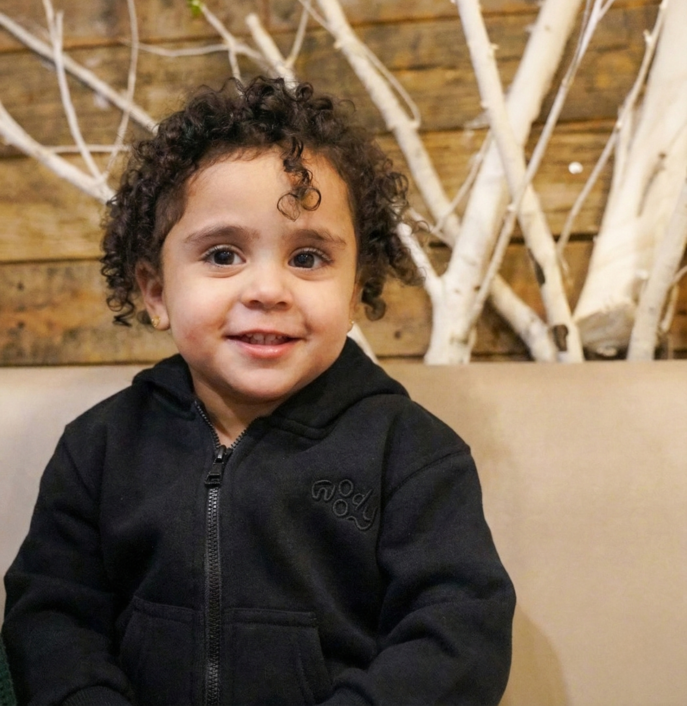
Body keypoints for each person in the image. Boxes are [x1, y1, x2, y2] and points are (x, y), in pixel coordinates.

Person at [3, 77, 515, 706]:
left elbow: (458, 635)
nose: (268, 290)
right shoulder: (99, 448)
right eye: (223, 255)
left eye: (308, 258)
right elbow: (51, 619)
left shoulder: (412, 454)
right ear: (156, 292)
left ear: (355, 294)